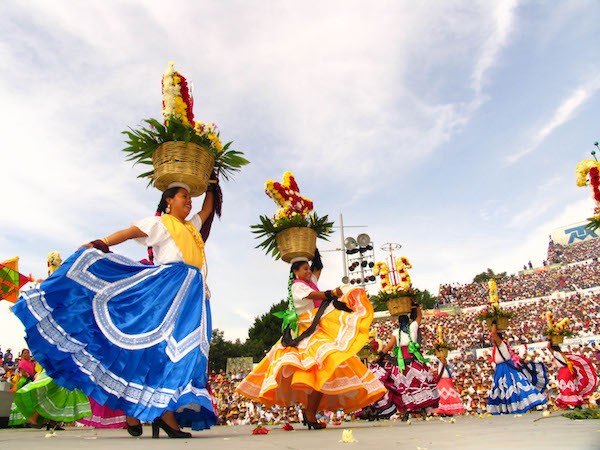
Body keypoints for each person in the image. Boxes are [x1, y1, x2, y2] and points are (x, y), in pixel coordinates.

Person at [13, 182, 218, 438]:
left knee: (180, 352)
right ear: (168, 201)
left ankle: (153, 411)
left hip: (192, 294)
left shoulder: (191, 227)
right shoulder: (161, 223)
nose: (189, 201)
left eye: (190, 198)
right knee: (153, 348)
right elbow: (130, 232)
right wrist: (102, 242)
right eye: (184, 197)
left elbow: (208, 209)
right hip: (166, 289)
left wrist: (212, 183)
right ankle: (151, 412)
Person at [235, 252, 386, 429]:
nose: (308, 271)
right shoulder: (297, 286)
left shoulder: (309, 281)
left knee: (327, 367)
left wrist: (313, 247)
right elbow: (314, 296)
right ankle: (310, 413)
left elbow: (318, 267)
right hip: (305, 331)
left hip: (316, 327)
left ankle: (310, 412)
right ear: (295, 271)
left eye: (308, 268)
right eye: (304, 269)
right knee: (319, 368)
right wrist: (331, 293)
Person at [369, 305, 439, 421]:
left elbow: (389, 347)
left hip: (408, 361)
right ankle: (414, 409)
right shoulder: (408, 328)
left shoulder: (405, 329)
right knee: (414, 383)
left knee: (408, 384)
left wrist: (379, 356)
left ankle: (414, 409)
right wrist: (416, 307)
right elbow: (419, 317)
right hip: (409, 361)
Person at [486, 322, 547, 414]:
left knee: (511, 386)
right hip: (500, 368)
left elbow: (494, 333)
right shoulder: (500, 345)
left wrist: (494, 322)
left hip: (505, 368)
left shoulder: (501, 344)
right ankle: (508, 408)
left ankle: (521, 405)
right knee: (504, 388)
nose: (491, 339)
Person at [547, 339, 598, 409]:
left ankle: (571, 403)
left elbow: (548, 347)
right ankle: (575, 403)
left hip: (564, 372)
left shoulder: (557, 354)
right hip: (569, 371)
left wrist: (550, 339)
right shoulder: (563, 354)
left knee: (567, 388)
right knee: (571, 387)